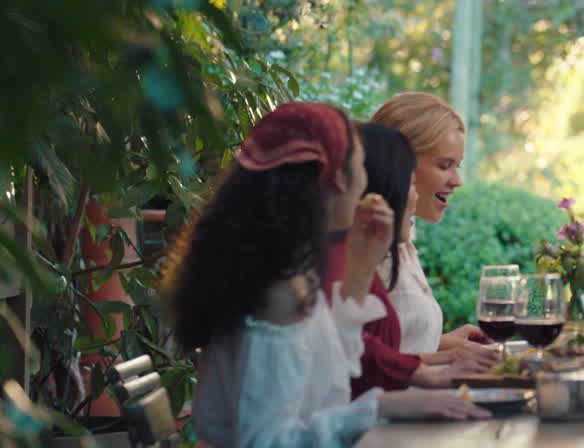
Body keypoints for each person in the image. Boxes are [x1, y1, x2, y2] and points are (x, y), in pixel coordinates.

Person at [162, 102, 487, 448]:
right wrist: (380, 406)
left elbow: (328, 376)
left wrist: (361, 268)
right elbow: (264, 441)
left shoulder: (285, 271)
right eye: (361, 166)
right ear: (336, 179)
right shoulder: (277, 295)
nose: (371, 181)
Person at [330, 122, 488, 396]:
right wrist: (429, 368)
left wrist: (441, 350)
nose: (457, 180)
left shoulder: (377, 252)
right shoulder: (348, 263)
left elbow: (361, 351)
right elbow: (346, 368)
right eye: (444, 165)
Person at [369, 92, 497, 366]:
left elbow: (389, 345)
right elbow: (360, 364)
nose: (457, 181)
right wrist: (448, 357)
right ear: (400, 163)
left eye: (457, 166)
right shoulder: (368, 242)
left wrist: (441, 342)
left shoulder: (404, 234)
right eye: (444, 165)